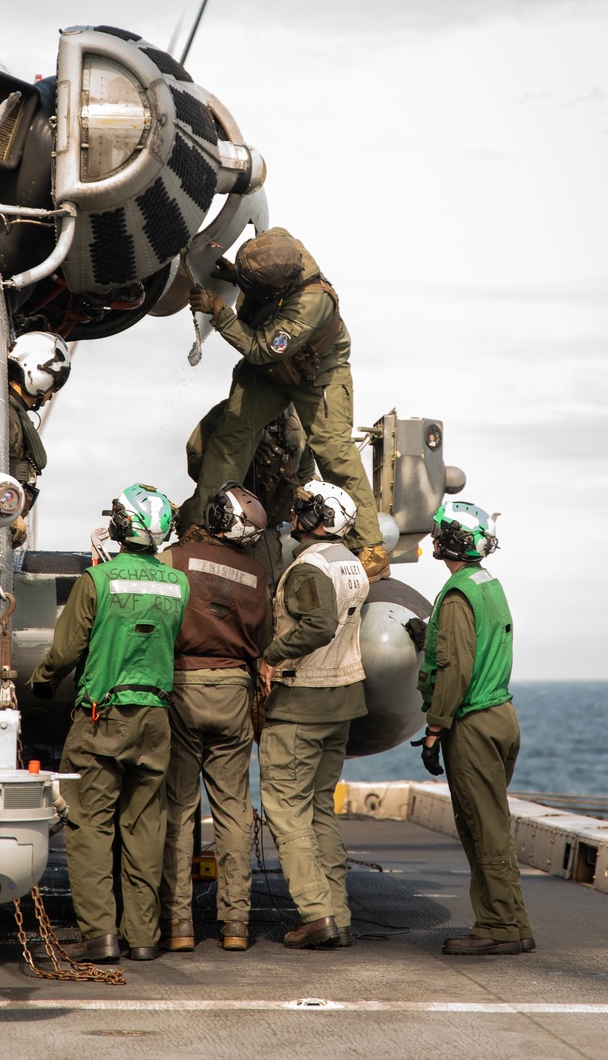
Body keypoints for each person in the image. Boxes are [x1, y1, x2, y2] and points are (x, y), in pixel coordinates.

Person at [29, 483, 190, 962]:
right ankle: (142, 937)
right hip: (156, 718)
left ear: (123, 526)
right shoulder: (177, 584)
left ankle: (100, 936)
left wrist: (42, 679)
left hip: (102, 719)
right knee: (145, 825)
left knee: (90, 825)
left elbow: (65, 651)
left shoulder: (97, 581)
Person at [181, 226, 389, 582]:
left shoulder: (310, 304)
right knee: (232, 434)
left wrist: (220, 311)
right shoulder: (277, 243)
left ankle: (371, 547)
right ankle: (200, 524)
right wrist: (237, 274)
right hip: (271, 371)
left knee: (333, 450)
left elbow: (261, 348)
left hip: (317, 375)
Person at [157, 483, 273, 953]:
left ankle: (179, 925)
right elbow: (262, 640)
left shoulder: (177, 558)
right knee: (234, 811)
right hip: (233, 692)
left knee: (180, 808)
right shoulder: (259, 576)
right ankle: (236, 926)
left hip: (184, 686)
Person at [415, 500, 533, 956]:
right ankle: (514, 922)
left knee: (481, 827)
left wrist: (433, 730)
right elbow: (476, 644)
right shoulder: (489, 584)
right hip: (502, 714)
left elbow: (455, 669)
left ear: (452, 542)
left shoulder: (458, 592)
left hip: (472, 722)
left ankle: (498, 926)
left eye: (440, 532)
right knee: (495, 823)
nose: (433, 538)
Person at [257, 480, 369, 949]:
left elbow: (318, 625)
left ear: (317, 519)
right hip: (341, 702)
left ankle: (316, 913)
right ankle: (338, 914)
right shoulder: (352, 564)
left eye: (302, 509)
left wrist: (270, 657)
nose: (293, 514)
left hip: (300, 702)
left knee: (287, 810)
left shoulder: (308, 568)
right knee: (321, 808)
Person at [187, 401, 315, 586]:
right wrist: (243, 454)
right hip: (217, 527)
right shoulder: (231, 413)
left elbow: (307, 476)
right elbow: (195, 463)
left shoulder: (298, 422)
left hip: (266, 530)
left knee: (263, 587)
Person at [6, 331, 71, 547]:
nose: (51, 395)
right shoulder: (8, 415)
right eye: (53, 386)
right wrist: (9, 514)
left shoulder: (12, 412)